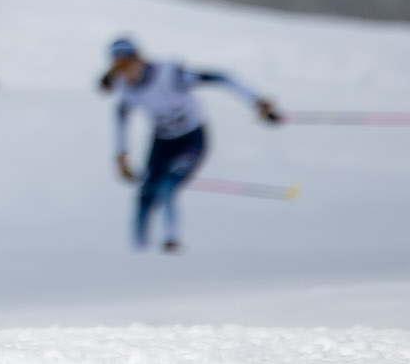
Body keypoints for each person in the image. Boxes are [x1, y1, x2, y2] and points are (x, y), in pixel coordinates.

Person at [101, 36, 282, 252]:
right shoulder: (124, 86)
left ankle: (171, 241)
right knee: (146, 192)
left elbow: (221, 78)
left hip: (191, 139)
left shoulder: (169, 74)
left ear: (139, 59)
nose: (126, 71)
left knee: (168, 186)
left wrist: (258, 102)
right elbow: (121, 117)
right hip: (162, 140)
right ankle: (138, 248)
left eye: (128, 64)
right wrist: (121, 155)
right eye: (120, 67)